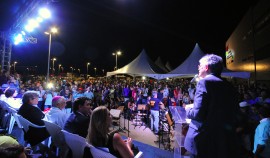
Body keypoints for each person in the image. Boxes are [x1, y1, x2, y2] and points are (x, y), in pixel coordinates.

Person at [184, 54, 240, 158]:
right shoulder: (229, 86)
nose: (198, 67)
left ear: (206, 67)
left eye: (199, 65)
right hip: (222, 140)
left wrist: (187, 109)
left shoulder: (204, 82)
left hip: (203, 140)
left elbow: (198, 114)